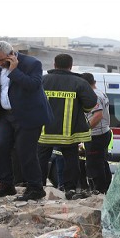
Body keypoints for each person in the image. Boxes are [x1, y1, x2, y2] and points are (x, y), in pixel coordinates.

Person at [0, 41, 53, 201]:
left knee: (25, 152)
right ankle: (6, 184)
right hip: (4, 115)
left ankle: (35, 187)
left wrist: (14, 71)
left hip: (28, 115)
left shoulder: (32, 63)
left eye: (1, 61)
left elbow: (34, 85)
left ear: (11, 54)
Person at [38, 54, 97, 200]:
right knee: (71, 160)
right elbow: (91, 102)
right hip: (69, 133)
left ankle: (38, 187)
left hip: (45, 131)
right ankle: (69, 189)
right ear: (71, 66)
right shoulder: (79, 82)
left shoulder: (42, 80)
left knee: (41, 158)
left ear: (54, 64)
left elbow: (30, 101)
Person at [81, 72, 112, 193]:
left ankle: (98, 190)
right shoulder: (100, 92)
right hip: (104, 132)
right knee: (102, 162)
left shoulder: (93, 95)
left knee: (94, 164)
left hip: (97, 134)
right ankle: (105, 189)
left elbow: (97, 115)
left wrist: (86, 129)